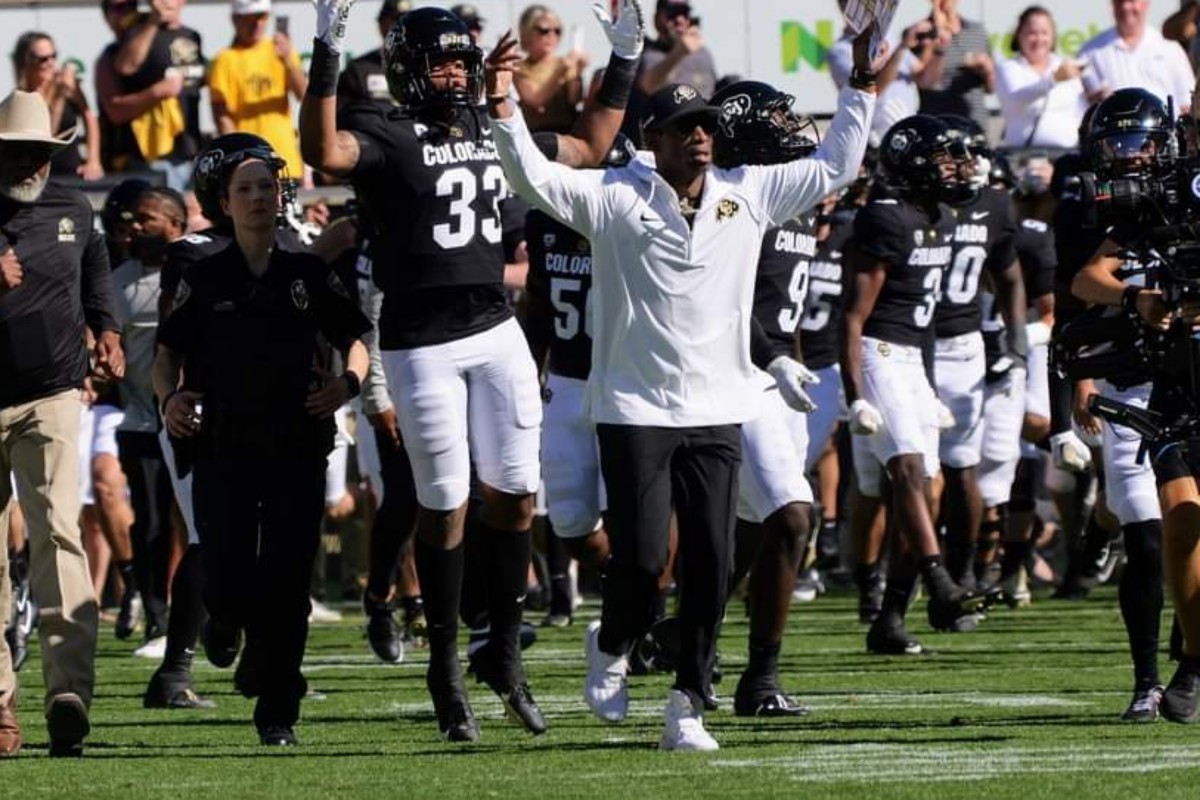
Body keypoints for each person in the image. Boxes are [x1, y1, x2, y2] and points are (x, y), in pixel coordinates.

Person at [489, 11, 878, 746]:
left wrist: (860, 79)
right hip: (633, 407)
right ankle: (613, 640)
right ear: (652, 141)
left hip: (720, 405)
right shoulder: (612, 200)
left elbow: (835, 166)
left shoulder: (748, 193)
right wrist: (504, 104)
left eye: (706, 125)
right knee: (638, 559)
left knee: (713, 559)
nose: (701, 135)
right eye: (683, 126)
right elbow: (530, 176)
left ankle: (687, 703)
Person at [300, 0, 647, 743]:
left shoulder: (494, 124)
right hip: (419, 340)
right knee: (445, 504)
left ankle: (502, 654)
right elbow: (324, 152)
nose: (456, 73)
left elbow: (589, 143)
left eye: (464, 59)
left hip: (495, 330)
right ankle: (446, 665)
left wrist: (624, 57)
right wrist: (325, 51)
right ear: (406, 69)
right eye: (443, 61)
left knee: (518, 499)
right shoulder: (385, 129)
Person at [154, 140, 370, 746]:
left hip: (296, 444)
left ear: (281, 197)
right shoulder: (202, 274)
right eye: (244, 189)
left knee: (288, 577)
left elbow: (355, 336)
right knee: (225, 580)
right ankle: (228, 623)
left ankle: (278, 707)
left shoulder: (306, 270)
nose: (257, 197)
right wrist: (169, 398)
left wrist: (346, 383)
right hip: (221, 444)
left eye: (266, 187)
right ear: (224, 202)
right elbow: (166, 352)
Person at [0, 89, 125, 757]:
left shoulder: (73, 207)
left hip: (53, 392)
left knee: (60, 536)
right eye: (14, 153)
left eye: (37, 154)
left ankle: (66, 694)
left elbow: (94, 270)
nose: (27, 165)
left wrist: (106, 328)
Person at [842, 114, 988, 656]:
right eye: (946, 158)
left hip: (912, 362)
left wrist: (925, 382)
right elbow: (853, 317)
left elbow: (922, 319)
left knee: (926, 490)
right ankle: (939, 580)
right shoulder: (886, 217)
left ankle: (891, 619)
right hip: (878, 355)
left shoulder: (941, 217)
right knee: (904, 470)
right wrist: (855, 393)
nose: (958, 167)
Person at [1067, 88, 1170, 721]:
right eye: (1118, 146)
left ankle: (1185, 665)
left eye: (1139, 145)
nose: (1129, 159)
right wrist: (1136, 302)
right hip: (1133, 389)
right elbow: (1081, 282)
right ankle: (1147, 680)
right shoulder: (1116, 211)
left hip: (1186, 387)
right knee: (1153, 540)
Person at [111, 0, 207, 190]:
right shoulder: (139, 32)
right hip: (154, 150)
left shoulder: (192, 35)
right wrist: (154, 21)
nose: (165, 2)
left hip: (189, 147)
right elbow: (125, 67)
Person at [208, 0, 307, 182]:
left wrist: (288, 61)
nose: (257, 24)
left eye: (262, 17)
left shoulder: (281, 50)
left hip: (284, 161)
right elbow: (222, 116)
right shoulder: (224, 59)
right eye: (250, 18)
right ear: (235, 19)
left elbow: (304, 96)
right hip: (247, 164)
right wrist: (237, 157)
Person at [11, 32, 103, 181]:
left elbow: (89, 117)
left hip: (72, 172)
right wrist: (59, 97)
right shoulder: (21, 98)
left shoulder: (68, 84)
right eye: (42, 59)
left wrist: (93, 161)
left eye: (54, 56)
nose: (50, 63)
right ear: (25, 61)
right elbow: (46, 140)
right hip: (39, 177)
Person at [995, 6, 1089, 150]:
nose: (1039, 39)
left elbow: (1079, 108)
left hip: (1069, 153)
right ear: (1019, 35)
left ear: (1052, 36)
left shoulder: (1064, 65)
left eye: (1044, 33)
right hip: (1024, 157)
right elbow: (1017, 99)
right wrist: (1053, 80)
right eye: (1032, 33)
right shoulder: (1009, 68)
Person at [1080, 0, 1195, 110]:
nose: (1125, 7)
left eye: (1132, 1)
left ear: (1146, 3)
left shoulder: (1170, 49)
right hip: (1114, 129)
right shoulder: (1090, 52)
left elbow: (1187, 103)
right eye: (1120, 1)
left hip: (1164, 129)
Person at [917, 0, 994, 135]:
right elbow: (925, 82)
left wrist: (987, 70)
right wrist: (938, 35)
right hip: (937, 127)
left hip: (974, 124)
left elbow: (991, 88)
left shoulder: (977, 31)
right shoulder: (919, 33)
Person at [515, 5, 589, 134]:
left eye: (557, 31)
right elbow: (534, 101)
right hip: (535, 135)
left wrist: (578, 73)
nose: (551, 35)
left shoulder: (565, 63)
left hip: (566, 133)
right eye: (544, 30)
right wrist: (559, 73)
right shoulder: (518, 67)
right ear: (526, 32)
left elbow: (574, 100)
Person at [337, 0, 411, 110]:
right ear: (381, 25)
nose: (402, 27)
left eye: (407, 21)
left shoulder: (425, 66)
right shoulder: (358, 71)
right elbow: (339, 117)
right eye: (396, 20)